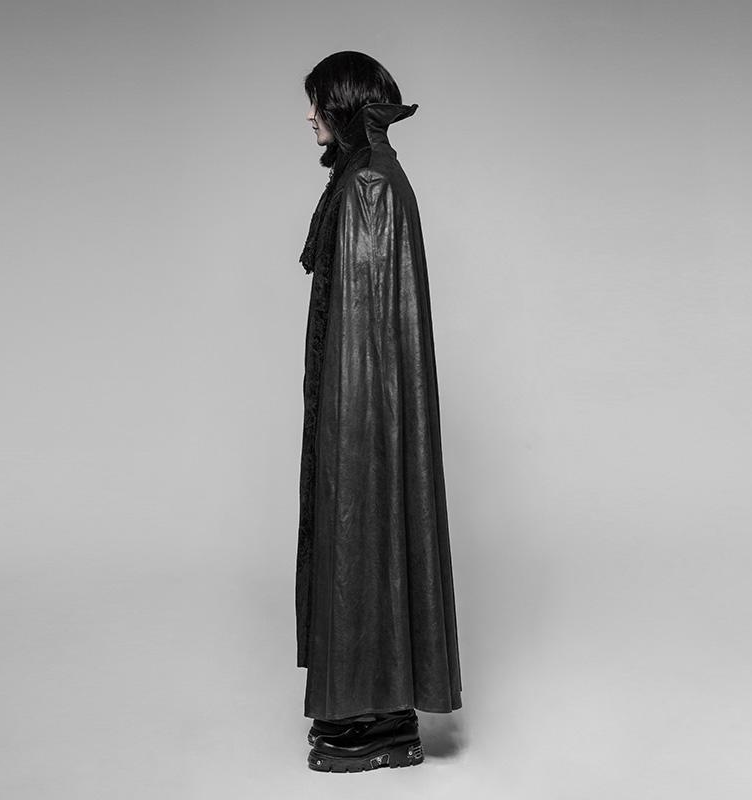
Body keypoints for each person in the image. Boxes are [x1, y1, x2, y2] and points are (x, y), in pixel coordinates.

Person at [296, 51, 462, 773]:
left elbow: (365, 324)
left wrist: (348, 419)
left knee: (360, 527)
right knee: (366, 532)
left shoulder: (367, 184)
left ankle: (370, 712)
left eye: (316, 104)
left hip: (362, 402)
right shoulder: (367, 175)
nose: (308, 118)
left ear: (341, 107)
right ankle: (377, 706)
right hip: (361, 395)